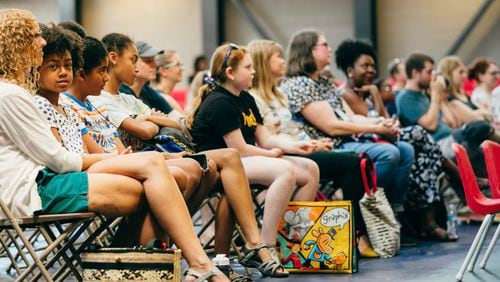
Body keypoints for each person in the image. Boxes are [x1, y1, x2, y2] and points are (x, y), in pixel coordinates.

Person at [0, 9, 228, 281]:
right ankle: (189, 264)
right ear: (18, 43)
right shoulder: (11, 95)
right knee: (155, 175)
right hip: (34, 190)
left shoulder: (16, 92)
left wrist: (119, 159)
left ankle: (122, 265)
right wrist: (114, 160)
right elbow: (60, 160)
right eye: (35, 36)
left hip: (48, 180)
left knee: (156, 181)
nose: (42, 42)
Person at [98, 33, 285, 279]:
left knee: (228, 175)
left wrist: (149, 118)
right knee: (228, 161)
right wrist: (152, 122)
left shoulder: (128, 98)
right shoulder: (103, 99)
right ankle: (245, 248)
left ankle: (226, 257)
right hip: (154, 161)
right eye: (135, 59)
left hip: (168, 156)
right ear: (113, 59)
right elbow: (149, 129)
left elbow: (181, 124)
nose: (140, 65)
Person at [187, 43, 320, 267]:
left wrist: (295, 146)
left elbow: (266, 139)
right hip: (221, 166)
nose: (254, 71)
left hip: (246, 160)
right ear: (230, 73)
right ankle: (262, 246)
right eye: (248, 67)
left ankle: (290, 241)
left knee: (310, 169)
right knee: (285, 171)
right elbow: (240, 149)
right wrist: (272, 154)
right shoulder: (220, 102)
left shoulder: (246, 99)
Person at [247, 39, 377, 257]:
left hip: (298, 146)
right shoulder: (254, 98)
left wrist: (312, 142)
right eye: (277, 57)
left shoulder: (278, 94)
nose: (283, 60)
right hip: (280, 152)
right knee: (353, 162)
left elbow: (294, 129)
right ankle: (353, 234)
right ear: (263, 62)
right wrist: (304, 145)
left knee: (355, 160)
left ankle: (303, 236)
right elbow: (267, 138)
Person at [280, 30, 414, 218]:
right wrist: (376, 128)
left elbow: (349, 117)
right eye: (324, 45)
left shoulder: (324, 83)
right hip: (325, 145)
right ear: (309, 50)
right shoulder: (299, 85)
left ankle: (392, 208)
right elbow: (331, 126)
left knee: (406, 150)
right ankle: (370, 210)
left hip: (344, 139)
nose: (330, 49)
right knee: (389, 154)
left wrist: (381, 121)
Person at [335, 39, 449, 242]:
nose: (371, 70)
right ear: (350, 69)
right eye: (365, 66)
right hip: (367, 142)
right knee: (416, 134)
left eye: (372, 65)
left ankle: (403, 218)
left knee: (420, 159)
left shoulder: (368, 92)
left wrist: (375, 94)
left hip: (383, 138)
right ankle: (455, 175)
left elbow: (385, 118)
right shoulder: (344, 94)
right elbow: (374, 125)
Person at [437, 56, 492, 127]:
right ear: (449, 74)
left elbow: (489, 115)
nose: (465, 76)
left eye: (465, 72)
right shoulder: (449, 99)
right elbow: (478, 120)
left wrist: (476, 113)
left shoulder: (463, 95)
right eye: (461, 72)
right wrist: (480, 113)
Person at [469, 58, 500, 130]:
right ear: (480, 76)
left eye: (497, 73)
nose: (497, 76)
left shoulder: (493, 93)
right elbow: (491, 121)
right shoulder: (478, 97)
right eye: (493, 73)